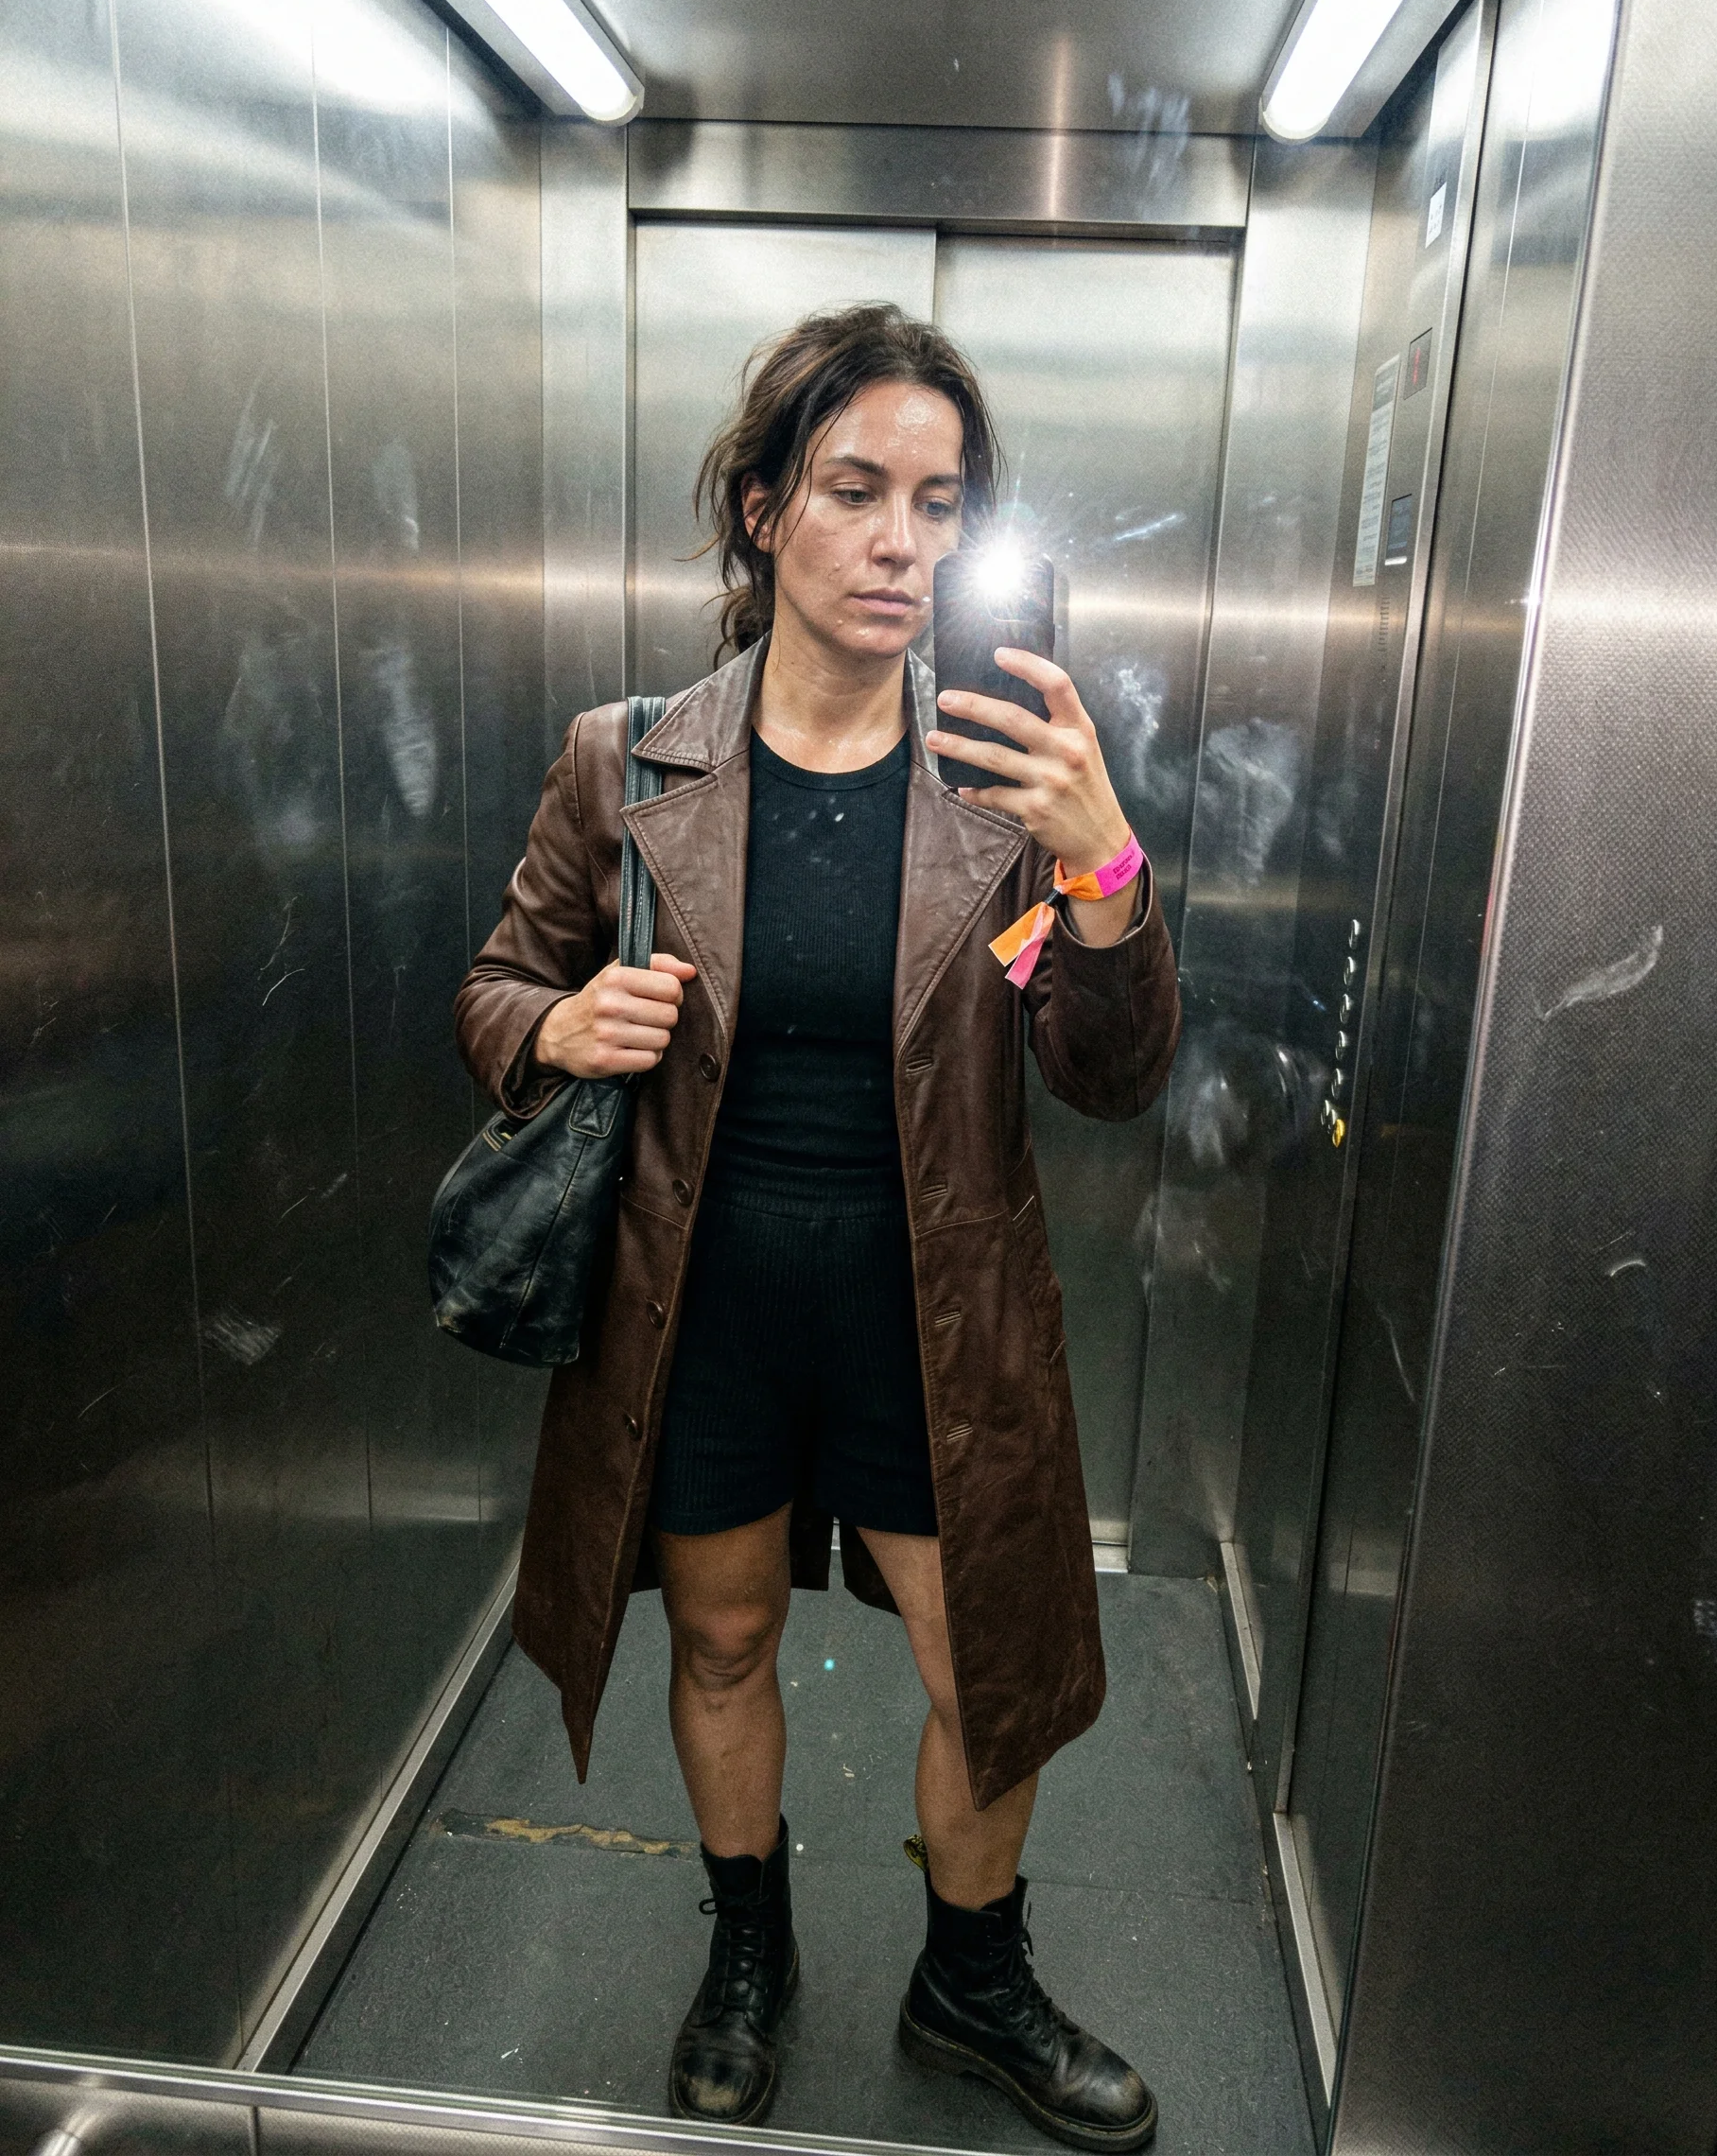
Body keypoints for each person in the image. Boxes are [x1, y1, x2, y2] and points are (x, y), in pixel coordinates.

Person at [455, 303, 1181, 2148]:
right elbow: (496, 983)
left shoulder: (1001, 796)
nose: (901, 540)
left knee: (980, 1669)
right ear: (767, 510)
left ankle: (974, 1970)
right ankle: (751, 1945)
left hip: (937, 1309)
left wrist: (1101, 871)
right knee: (719, 1644)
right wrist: (552, 1024)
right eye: (856, 490)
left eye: (940, 502)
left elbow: (1098, 1066)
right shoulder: (630, 766)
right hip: (699, 1305)